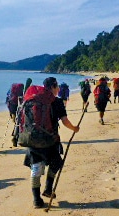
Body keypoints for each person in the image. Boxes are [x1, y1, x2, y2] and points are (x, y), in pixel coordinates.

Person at [23, 77, 80, 209]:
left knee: (35, 169)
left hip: (32, 139)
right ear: (53, 87)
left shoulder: (31, 99)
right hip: (50, 141)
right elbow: (65, 121)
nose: (59, 89)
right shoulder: (57, 101)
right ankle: (48, 189)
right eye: (57, 86)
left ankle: (37, 201)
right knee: (56, 162)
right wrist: (74, 129)